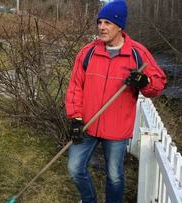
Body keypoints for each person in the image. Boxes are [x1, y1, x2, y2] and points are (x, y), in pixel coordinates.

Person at [65, 1, 167, 203]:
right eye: (100, 22)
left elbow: (158, 83)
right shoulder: (88, 52)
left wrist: (144, 81)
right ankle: (89, 200)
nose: (102, 27)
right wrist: (75, 117)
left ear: (120, 26)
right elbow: (75, 86)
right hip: (88, 124)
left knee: (115, 176)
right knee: (74, 168)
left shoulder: (137, 53)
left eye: (108, 23)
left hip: (117, 129)